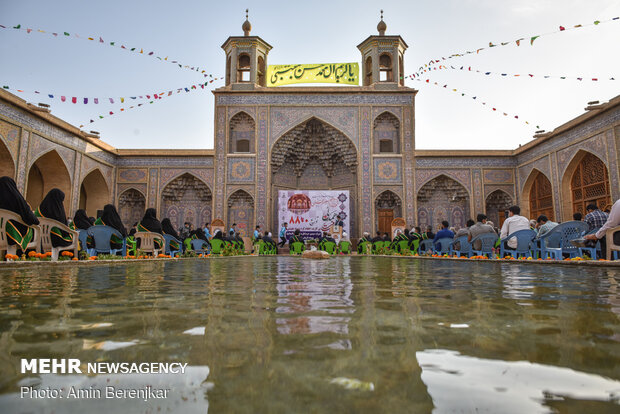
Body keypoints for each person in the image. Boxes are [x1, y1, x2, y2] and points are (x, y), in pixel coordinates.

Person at [0, 176, 39, 252]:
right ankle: (30, 257)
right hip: (13, 237)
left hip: (1, 235)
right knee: (35, 231)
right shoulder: (18, 199)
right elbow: (33, 219)